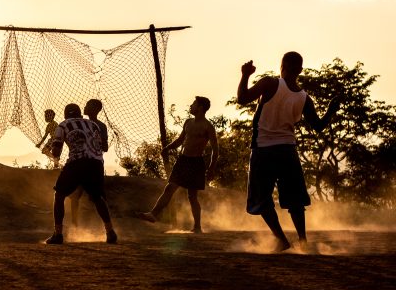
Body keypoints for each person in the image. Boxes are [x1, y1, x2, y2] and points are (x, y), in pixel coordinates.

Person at [237, 52, 340, 251]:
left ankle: (282, 240)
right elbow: (318, 126)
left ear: (281, 66)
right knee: (295, 200)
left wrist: (245, 74)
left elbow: (242, 99)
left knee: (261, 198)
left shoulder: (270, 83)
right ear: (300, 70)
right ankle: (302, 241)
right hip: (288, 151)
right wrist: (331, 110)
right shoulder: (304, 98)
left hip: (263, 149)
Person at [138, 96, 218, 233]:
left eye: (194, 104)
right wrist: (167, 148)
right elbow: (180, 140)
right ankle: (153, 214)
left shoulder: (208, 127)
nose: (191, 106)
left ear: (201, 108)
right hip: (182, 161)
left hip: (196, 163)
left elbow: (216, 150)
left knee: (192, 196)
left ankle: (197, 227)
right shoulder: (188, 122)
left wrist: (211, 168)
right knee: (169, 188)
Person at [45, 103, 117, 244]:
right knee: (97, 197)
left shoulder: (63, 125)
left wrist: (53, 153)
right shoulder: (93, 125)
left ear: (66, 114)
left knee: (59, 195)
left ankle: (58, 234)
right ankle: (110, 232)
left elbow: (56, 152)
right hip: (97, 163)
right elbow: (101, 146)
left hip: (77, 162)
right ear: (79, 114)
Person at [70, 99, 109, 227]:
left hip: (89, 163)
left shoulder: (97, 126)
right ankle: (76, 224)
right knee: (79, 195)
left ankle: (103, 226)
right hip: (90, 163)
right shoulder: (85, 123)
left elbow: (105, 147)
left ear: (95, 109)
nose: (85, 107)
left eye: (88, 105)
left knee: (92, 197)